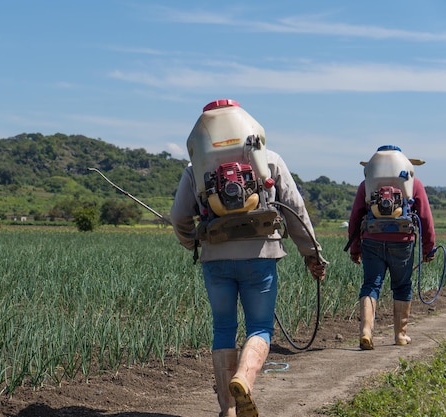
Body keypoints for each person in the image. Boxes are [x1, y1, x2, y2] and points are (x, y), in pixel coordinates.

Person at [170, 99, 327, 417]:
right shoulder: (270, 160)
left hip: (216, 258)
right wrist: (312, 254)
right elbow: (295, 211)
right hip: (261, 255)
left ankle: (227, 410)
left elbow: (178, 217)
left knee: (223, 328)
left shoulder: (196, 169)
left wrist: (192, 243)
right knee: (259, 327)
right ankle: (243, 378)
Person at [347, 145, 435, 351]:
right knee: (402, 286)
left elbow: (355, 219)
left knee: (371, 285)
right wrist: (428, 248)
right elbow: (425, 217)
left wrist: (355, 248)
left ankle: (366, 331)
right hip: (402, 241)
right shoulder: (414, 184)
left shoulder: (366, 185)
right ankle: (400, 335)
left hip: (372, 239)